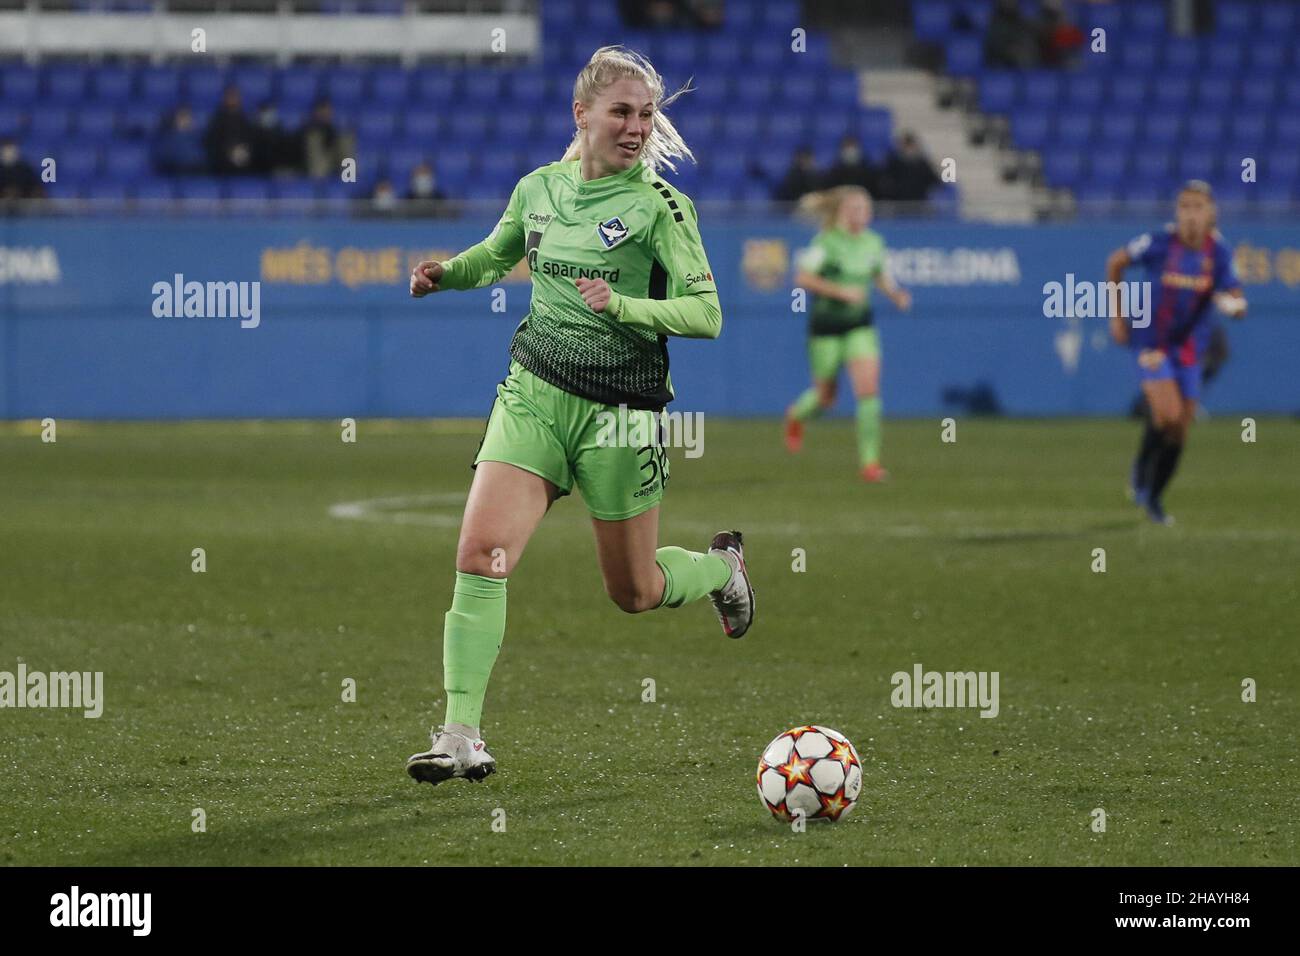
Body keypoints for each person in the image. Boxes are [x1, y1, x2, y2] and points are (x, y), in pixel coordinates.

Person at [404, 45, 755, 786]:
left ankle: (722, 568)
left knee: (634, 593)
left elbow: (708, 313)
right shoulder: (539, 189)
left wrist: (622, 304)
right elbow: (499, 254)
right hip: (533, 393)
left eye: (646, 114)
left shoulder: (661, 208)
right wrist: (448, 274)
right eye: (621, 112)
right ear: (583, 114)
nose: (635, 127)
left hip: (622, 418)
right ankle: (459, 733)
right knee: (480, 555)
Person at [1105, 181, 1247, 525]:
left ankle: (1154, 497)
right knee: (1166, 414)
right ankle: (1141, 471)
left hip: (1189, 351)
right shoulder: (1158, 243)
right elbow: (1116, 263)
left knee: (1180, 428)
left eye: (1198, 207)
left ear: (1211, 212)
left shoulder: (1219, 253)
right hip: (1152, 344)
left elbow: (1237, 298)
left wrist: (1234, 305)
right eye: (1184, 207)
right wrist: (1117, 315)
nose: (1191, 215)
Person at [783, 186, 912, 482]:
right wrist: (840, 291)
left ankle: (870, 463)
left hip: (859, 326)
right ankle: (796, 415)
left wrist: (895, 295)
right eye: (853, 209)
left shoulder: (874, 243)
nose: (860, 215)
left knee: (868, 391)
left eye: (864, 209)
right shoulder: (827, 243)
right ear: (841, 212)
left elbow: (879, 273)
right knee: (826, 399)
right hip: (826, 328)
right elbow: (802, 278)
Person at [204, 85, 256, 175]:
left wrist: (243, 149)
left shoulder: (244, 118)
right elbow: (211, 140)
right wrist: (229, 150)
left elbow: (250, 137)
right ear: (225, 99)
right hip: (222, 157)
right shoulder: (218, 118)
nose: (233, 100)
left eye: (235, 97)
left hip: (243, 153)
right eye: (230, 97)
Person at [878, 131, 941, 203]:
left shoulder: (923, 164)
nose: (909, 149)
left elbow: (935, 181)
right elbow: (885, 183)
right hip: (898, 205)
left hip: (919, 204)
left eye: (910, 145)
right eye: (906, 146)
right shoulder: (893, 163)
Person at [152, 106, 208, 176]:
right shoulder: (167, 139)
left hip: (196, 171)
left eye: (188, 117)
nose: (187, 121)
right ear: (174, 119)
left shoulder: (197, 136)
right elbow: (164, 159)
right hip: (176, 172)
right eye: (182, 117)